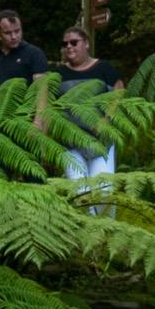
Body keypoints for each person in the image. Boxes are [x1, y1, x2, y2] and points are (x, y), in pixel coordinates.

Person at [55, 24, 123, 188]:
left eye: (73, 42)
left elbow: (118, 93)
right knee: (80, 192)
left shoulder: (104, 68)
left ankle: (104, 215)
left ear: (86, 43)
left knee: (103, 190)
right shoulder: (58, 74)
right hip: (71, 143)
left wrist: (106, 119)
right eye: (65, 44)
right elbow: (49, 104)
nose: (69, 47)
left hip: (100, 141)